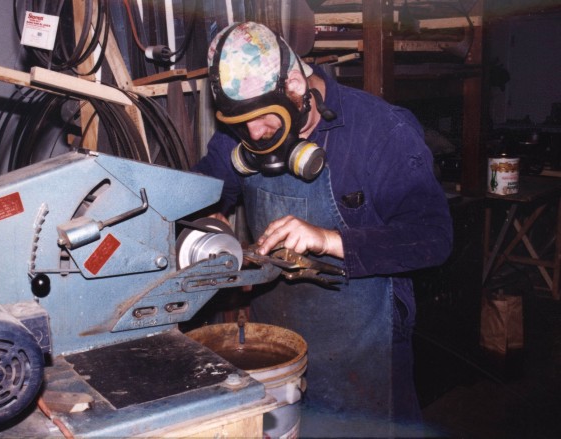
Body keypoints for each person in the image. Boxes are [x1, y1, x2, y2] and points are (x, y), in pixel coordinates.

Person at [193, 21, 453, 425]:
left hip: (365, 344)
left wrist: (328, 239)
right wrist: (207, 220)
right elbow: (205, 192)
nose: (254, 135)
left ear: (296, 86)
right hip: (278, 338)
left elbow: (433, 238)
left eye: (265, 119)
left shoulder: (382, 131)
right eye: (238, 123)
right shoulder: (245, 130)